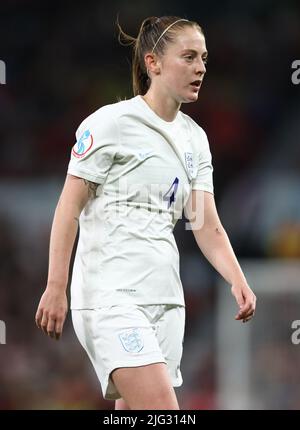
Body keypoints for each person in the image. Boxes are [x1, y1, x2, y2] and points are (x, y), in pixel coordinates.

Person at [35, 15, 256, 410]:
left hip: (166, 300)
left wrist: (237, 278)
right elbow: (68, 208)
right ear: (153, 63)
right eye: (188, 57)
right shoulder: (110, 124)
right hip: (111, 298)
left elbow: (207, 225)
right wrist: (56, 285)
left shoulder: (195, 139)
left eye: (204, 58)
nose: (201, 67)